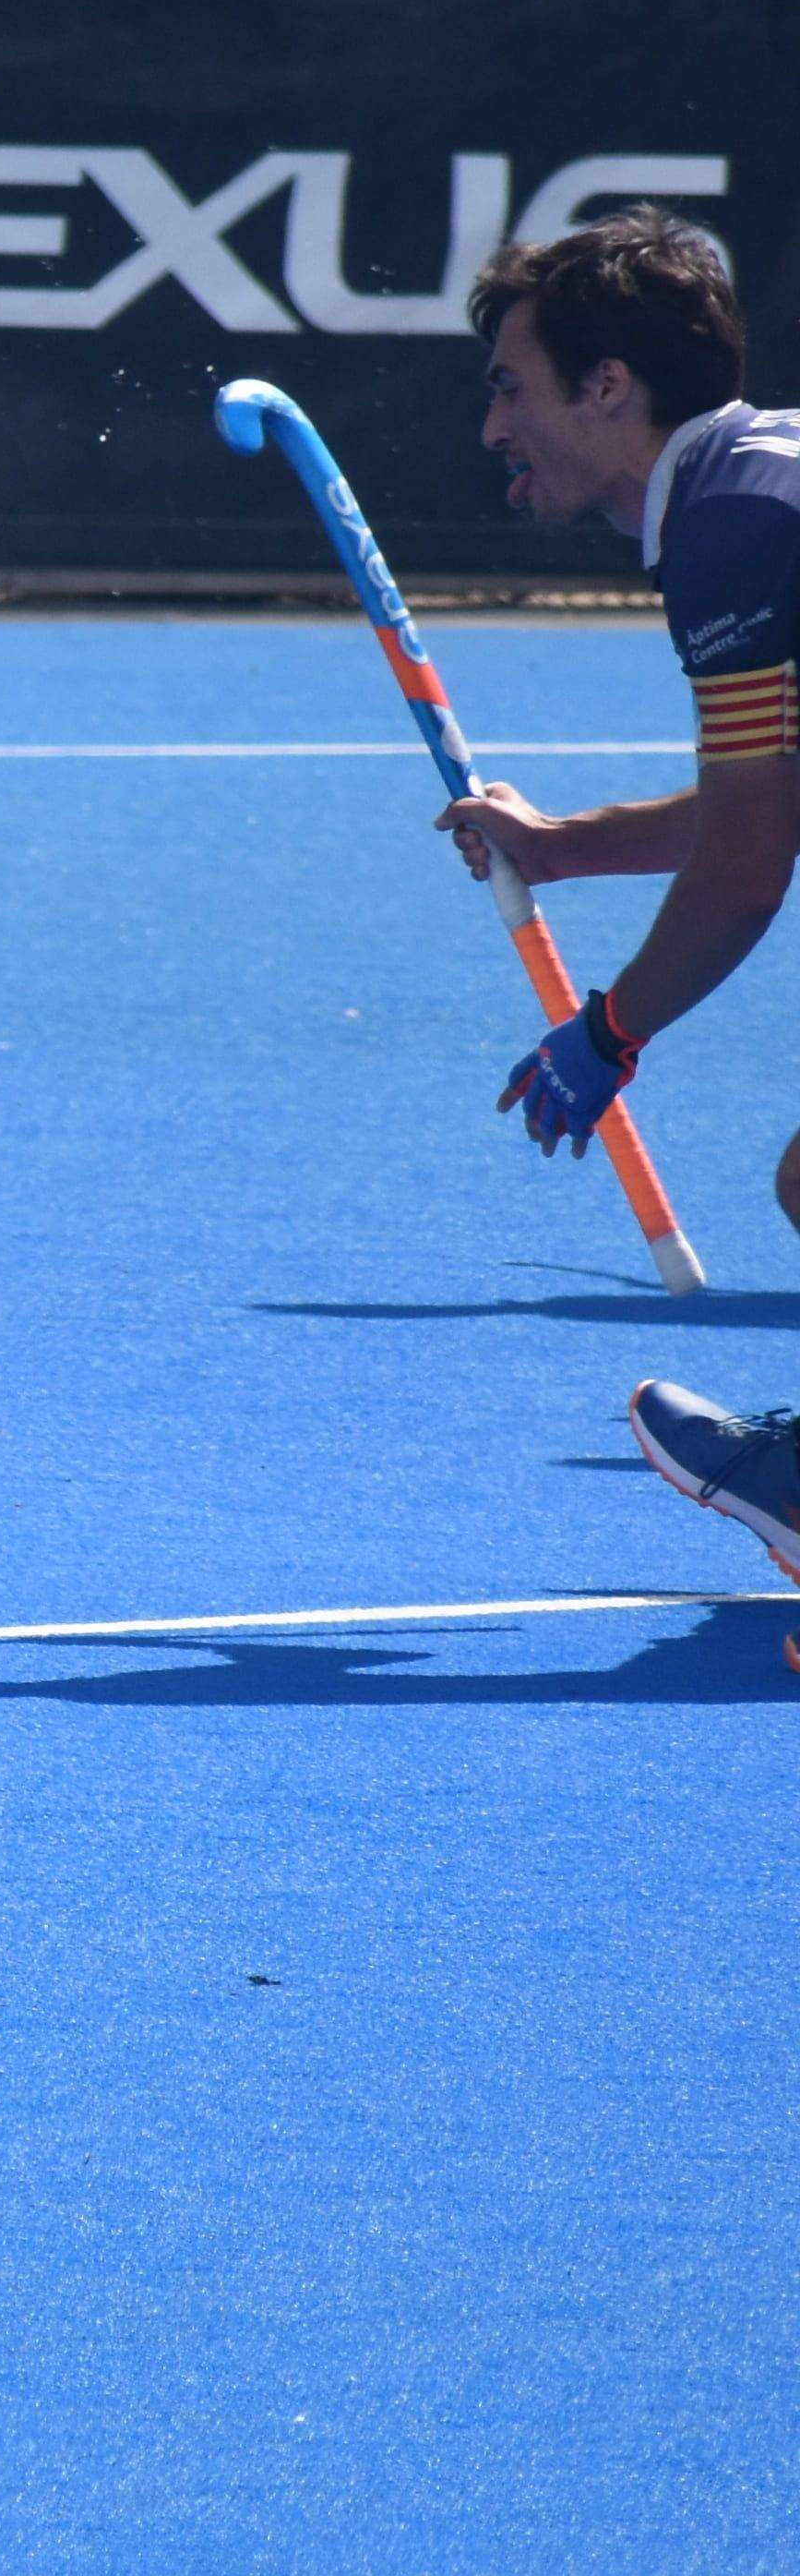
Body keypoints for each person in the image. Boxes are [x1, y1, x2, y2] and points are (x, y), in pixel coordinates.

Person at [423, 213, 800, 1600]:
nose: (492, 427)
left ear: (609, 388)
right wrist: (568, 847)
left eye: (512, 386)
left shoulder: (735, 527)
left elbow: (754, 861)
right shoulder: (765, 484)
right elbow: (784, 800)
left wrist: (611, 1032)